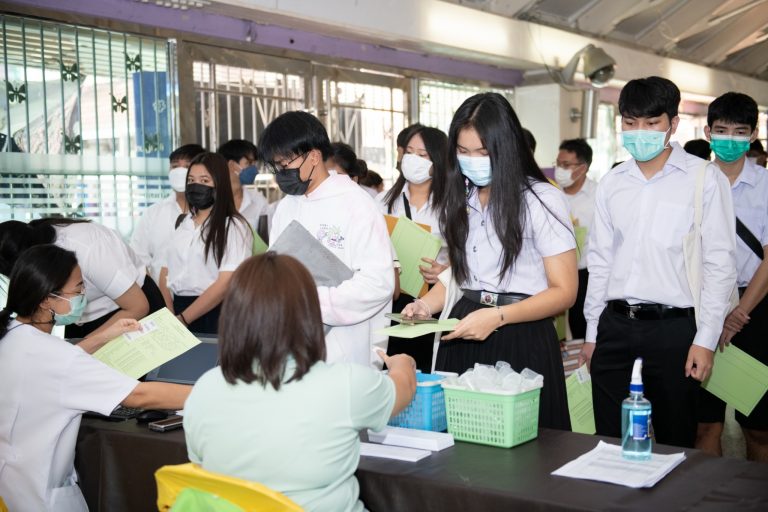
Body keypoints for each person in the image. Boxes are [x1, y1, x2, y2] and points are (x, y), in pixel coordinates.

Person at [183, 253, 416, 511]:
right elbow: (403, 389)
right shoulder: (344, 384)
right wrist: (402, 363)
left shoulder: (204, 390)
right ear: (307, 313)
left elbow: (201, 471)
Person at [402, 93, 577, 430]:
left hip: (520, 330)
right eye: (463, 152)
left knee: (527, 449)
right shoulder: (459, 198)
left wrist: (497, 317)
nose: (472, 161)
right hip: (465, 326)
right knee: (463, 442)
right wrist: (426, 304)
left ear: (506, 148)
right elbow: (461, 278)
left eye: (483, 152)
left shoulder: (542, 199)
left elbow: (564, 291)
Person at [579, 76, 737, 448]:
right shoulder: (613, 182)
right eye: (630, 124)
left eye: (651, 123)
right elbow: (600, 261)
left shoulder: (704, 179)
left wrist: (706, 339)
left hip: (673, 330)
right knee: (610, 438)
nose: (640, 133)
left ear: (673, 125)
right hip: (614, 325)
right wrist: (591, 333)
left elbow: (720, 265)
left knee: (673, 440)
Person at [0, 244, 190, 511]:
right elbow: (139, 395)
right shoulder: (58, 358)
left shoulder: (11, 334)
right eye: (78, 288)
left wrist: (104, 336)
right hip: (44, 497)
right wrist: (211, 392)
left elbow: (47, 368)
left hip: (12, 487)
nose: (83, 295)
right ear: (46, 299)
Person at [258, 111, 394, 365]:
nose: (280, 173)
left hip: (346, 345)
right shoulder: (285, 208)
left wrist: (310, 300)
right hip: (294, 342)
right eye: (275, 166)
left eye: (285, 164)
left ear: (314, 156)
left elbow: (378, 283)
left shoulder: (357, 204)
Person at [696, 92, 768, 461]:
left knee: (758, 425)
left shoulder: (765, 185)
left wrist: (739, 313)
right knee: (704, 423)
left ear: (754, 134)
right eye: (721, 130)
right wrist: (716, 311)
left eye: (740, 131)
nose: (729, 139)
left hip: (755, 308)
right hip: (701, 305)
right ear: (707, 132)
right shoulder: (692, 181)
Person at [0, 218, 162, 338]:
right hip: (80, 318)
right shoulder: (36, 254)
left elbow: (138, 307)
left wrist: (84, 347)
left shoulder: (88, 248)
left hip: (131, 310)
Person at [378, 125, 450, 371]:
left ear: (438, 160)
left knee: (426, 365)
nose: (413, 159)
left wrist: (446, 269)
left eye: (422, 155)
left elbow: (470, 256)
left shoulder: (454, 205)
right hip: (394, 296)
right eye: (409, 152)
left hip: (432, 297)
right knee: (394, 363)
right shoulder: (384, 202)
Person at [159, 152, 253, 334]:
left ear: (219, 184)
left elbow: (226, 282)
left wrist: (185, 319)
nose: (196, 186)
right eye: (191, 181)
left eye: (204, 181)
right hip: (177, 312)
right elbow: (165, 271)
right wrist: (170, 314)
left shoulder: (234, 226)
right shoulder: (182, 222)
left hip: (216, 314)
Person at [131, 144, 205, 282]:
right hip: (159, 297)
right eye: (175, 166)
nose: (179, 172)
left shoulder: (211, 213)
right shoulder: (153, 213)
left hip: (199, 296)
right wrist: (155, 299)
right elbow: (138, 258)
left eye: (187, 166)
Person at [554, 138, 596, 340]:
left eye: (566, 165)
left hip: (586, 272)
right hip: (553, 269)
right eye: (558, 164)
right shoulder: (551, 194)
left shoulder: (598, 195)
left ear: (583, 168)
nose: (560, 170)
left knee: (581, 324)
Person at [217, 139, 270, 232]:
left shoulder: (257, 200)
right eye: (249, 163)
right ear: (232, 165)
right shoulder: (212, 199)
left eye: (254, 164)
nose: (254, 170)